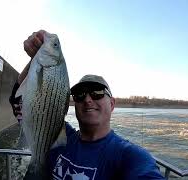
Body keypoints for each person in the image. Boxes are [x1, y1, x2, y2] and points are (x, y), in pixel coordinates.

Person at [10, 30, 165, 180]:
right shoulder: (56, 136)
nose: (88, 99)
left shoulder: (130, 156)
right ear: (73, 104)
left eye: (97, 92)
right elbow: (18, 101)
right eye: (80, 94)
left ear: (112, 104)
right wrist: (35, 58)